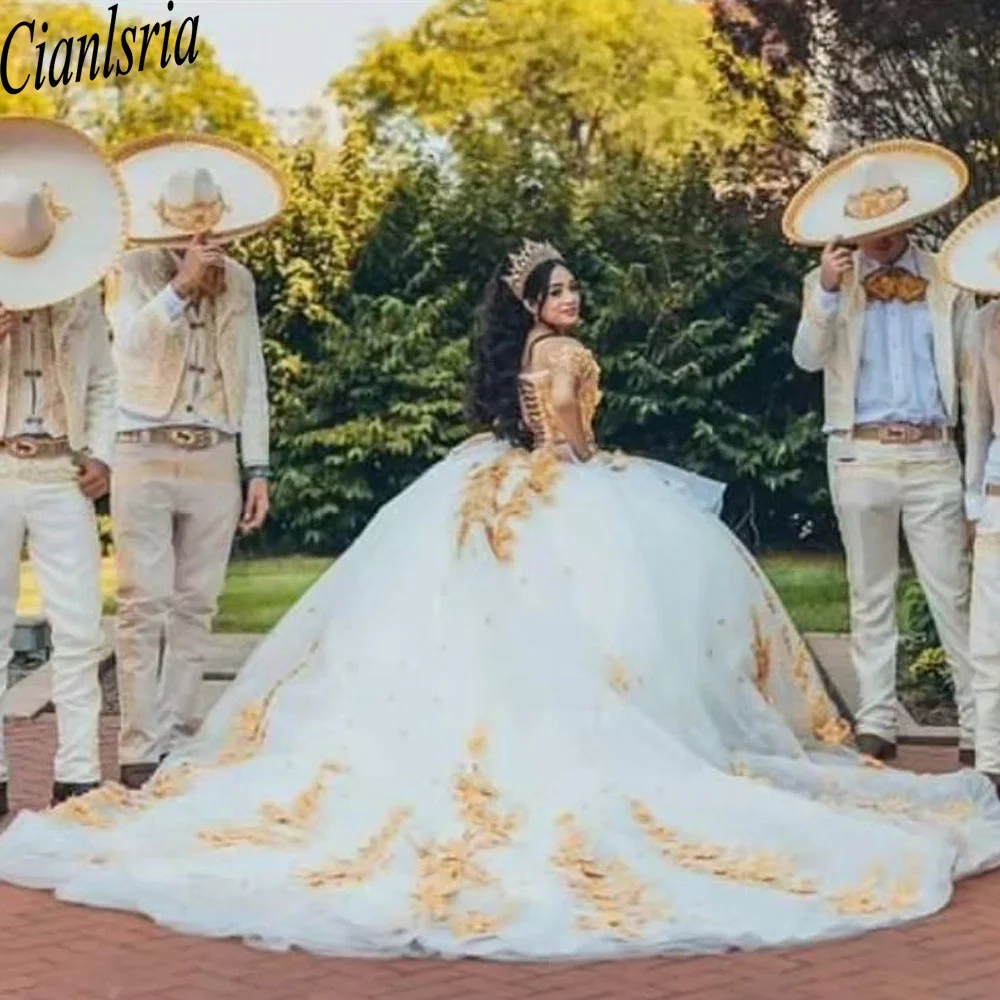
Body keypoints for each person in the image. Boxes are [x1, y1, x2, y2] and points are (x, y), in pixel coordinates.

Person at [0, 241, 998, 959]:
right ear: (532, 306)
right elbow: (565, 436)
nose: (570, 297)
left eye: (571, 285)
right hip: (555, 482)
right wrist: (596, 466)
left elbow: (531, 420)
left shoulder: (513, 361)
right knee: (608, 621)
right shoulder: (558, 356)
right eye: (557, 288)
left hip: (497, 480)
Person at [785, 140, 979, 765]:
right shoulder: (827, 281)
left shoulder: (950, 281)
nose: (876, 234)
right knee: (869, 594)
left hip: (932, 456)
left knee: (952, 595)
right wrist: (830, 290)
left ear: (908, 217)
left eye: (886, 221)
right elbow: (806, 357)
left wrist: (976, 480)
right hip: (859, 454)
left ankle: (981, 730)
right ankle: (875, 723)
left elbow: (977, 384)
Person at [105, 135, 284, 789]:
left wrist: (256, 465)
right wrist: (180, 287)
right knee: (140, 602)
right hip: (144, 449)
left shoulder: (241, 280)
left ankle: (177, 741)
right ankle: (136, 745)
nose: (207, 244)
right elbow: (127, 345)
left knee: (195, 605)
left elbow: (253, 375)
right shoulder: (131, 269)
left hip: (214, 454)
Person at [0, 118, 127, 814]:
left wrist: (102, 452)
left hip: (58, 473)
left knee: (78, 629)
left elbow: (105, 382)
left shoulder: (82, 292)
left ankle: (76, 777)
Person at [939, 198, 1000, 792]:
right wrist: (973, 500)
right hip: (999, 495)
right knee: (987, 634)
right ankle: (992, 761)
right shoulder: (985, 323)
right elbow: (977, 420)